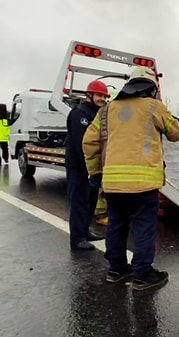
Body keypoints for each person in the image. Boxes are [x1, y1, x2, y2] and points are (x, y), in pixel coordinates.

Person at [83, 66, 179, 291]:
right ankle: (143, 274)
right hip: (143, 183)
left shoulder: (107, 110)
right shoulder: (154, 107)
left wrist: (95, 172)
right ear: (151, 88)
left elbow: (89, 142)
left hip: (113, 183)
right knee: (144, 226)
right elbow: (177, 134)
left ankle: (117, 270)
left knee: (117, 224)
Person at [65, 80, 108, 250]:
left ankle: (85, 231)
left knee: (90, 201)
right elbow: (81, 143)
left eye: (104, 96)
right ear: (89, 95)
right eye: (99, 95)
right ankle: (77, 238)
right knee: (78, 202)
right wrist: (89, 166)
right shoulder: (79, 114)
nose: (102, 99)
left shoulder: (97, 114)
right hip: (79, 166)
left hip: (92, 167)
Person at [94, 85, 119, 227]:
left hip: (107, 159)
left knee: (105, 190)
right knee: (103, 192)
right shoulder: (107, 116)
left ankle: (103, 214)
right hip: (108, 159)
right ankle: (101, 215)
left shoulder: (106, 115)